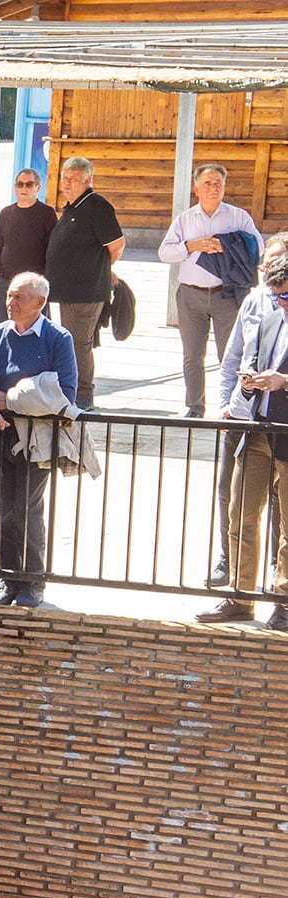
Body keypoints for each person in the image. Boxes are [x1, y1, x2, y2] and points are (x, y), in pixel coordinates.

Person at [0, 273, 78, 610]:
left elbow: (64, 393)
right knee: (1, 511)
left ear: (39, 303)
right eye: (9, 296)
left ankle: (32, 583)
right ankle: (7, 579)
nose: (10, 303)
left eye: (18, 298)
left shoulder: (58, 339)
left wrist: (8, 401)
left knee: (27, 509)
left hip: (35, 437)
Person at [204, 244, 288, 627]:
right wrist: (248, 387)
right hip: (256, 427)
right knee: (241, 514)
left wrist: (284, 381)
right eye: (275, 295)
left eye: (284, 294)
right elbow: (240, 358)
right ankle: (241, 596)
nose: (278, 302)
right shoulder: (269, 314)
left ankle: (285, 601)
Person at [160, 164, 262, 417]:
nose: (214, 188)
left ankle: (232, 406)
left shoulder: (237, 216)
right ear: (196, 188)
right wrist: (191, 246)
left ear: (225, 187)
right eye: (208, 183)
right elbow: (164, 253)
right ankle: (194, 407)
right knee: (192, 355)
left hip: (226, 294)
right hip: (190, 295)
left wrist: (229, 247)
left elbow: (258, 247)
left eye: (218, 183)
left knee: (229, 353)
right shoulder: (185, 219)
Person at [44, 157, 125, 408]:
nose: (67, 184)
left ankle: (83, 395)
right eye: (64, 179)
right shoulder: (72, 206)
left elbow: (116, 244)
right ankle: (71, 390)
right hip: (68, 291)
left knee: (79, 344)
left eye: (74, 179)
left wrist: (102, 269)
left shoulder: (96, 206)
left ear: (88, 180)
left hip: (86, 292)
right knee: (70, 342)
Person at [0, 169, 58, 304]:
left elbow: (52, 251)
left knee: (34, 325)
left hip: (34, 286)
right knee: (5, 325)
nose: (24, 188)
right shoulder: (6, 213)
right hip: (6, 283)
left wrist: (44, 281)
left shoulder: (47, 213)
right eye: (20, 184)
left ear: (38, 187)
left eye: (29, 184)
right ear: (15, 188)